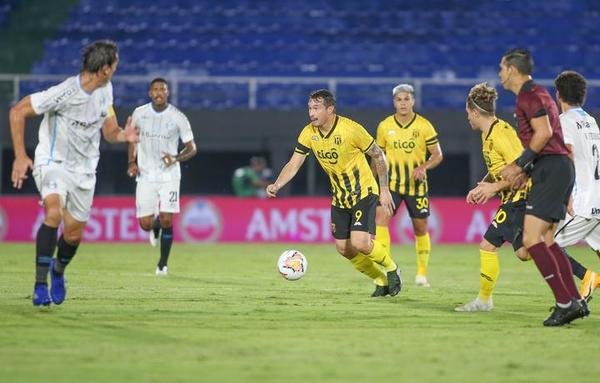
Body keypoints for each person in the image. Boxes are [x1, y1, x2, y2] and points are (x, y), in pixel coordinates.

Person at [9, 40, 139, 306]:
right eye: (115, 65)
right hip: (53, 161)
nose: (116, 69)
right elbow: (17, 111)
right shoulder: (65, 92)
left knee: (73, 235)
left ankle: (58, 271)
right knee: (53, 212)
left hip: (84, 170)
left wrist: (123, 135)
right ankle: (39, 285)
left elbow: (109, 131)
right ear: (104, 69)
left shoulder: (106, 90)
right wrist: (21, 156)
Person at [266, 89, 402, 297]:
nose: (311, 113)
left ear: (330, 110)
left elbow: (378, 155)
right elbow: (294, 163)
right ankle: (380, 279)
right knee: (344, 249)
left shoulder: (351, 129)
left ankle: (392, 269)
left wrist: (384, 190)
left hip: (363, 191)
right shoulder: (308, 132)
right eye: (310, 108)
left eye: (316, 108)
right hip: (340, 197)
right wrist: (277, 184)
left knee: (360, 243)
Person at [499, 48, 588, 326]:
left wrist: (518, 165)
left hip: (552, 168)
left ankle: (564, 303)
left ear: (512, 69)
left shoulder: (530, 95)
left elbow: (545, 134)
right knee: (549, 240)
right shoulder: (534, 94)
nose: (500, 73)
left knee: (530, 239)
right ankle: (574, 300)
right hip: (554, 168)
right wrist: (527, 170)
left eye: (502, 68)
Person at [455, 83, 531, 312]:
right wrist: (485, 185)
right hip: (513, 197)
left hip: (520, 197)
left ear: (475, 112)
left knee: (487, 245)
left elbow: (523, 168)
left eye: (468, 113)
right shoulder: (488, 134)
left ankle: (484, 300)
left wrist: (492, 188)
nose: (468, 117)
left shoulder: (501, 134)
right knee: (524, 252)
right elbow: (500, 167)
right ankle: (584, 274)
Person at [373, 84, 443, 287]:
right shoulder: (385, 126)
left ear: (413, 101)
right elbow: (378, 157)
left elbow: (438, 154)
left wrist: (424, 166)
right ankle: (388, 269)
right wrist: (373, 180)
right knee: (381, 220)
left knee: (420, 228)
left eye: (406, 99)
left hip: (417, 186)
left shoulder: (424, 126)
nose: (402, 103)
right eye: (398, 99)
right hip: (392, 185)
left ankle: (421, 274)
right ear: (394, 102)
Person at [127, 78, 197, 276]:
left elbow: (192, 148)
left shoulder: (178, 117)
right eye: (155, 89)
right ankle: (154, 228)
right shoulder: (139, 113)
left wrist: (175, 158)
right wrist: (131, 162)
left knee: (168, 220)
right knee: (145, 224)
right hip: (145, 174)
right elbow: (132, 140)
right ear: (150, 93)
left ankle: (162, 264)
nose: (159, 93)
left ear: (168, 93)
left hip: (169, 176)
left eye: (162, 89)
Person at [553, 70, 600, 301]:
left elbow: (568, 155)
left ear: (558, 95)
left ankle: (586, 278)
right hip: (598, 197)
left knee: (546, 245)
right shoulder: (590, 121)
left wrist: (564, 195)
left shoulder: (565, 122)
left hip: (584, 202)